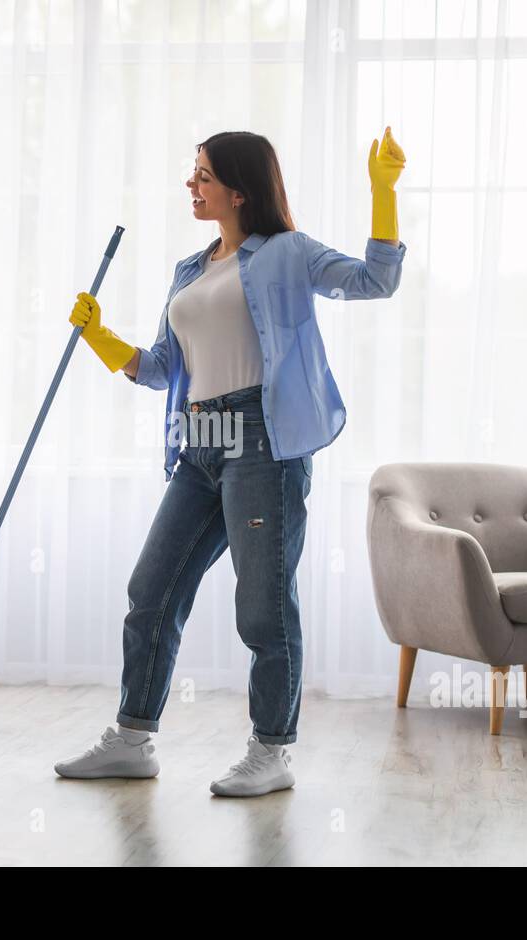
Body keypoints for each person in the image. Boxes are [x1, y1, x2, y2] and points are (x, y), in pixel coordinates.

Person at [56, 128, 407, 796]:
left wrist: (383, 192)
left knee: (263, 606)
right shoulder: (189, 271)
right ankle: (133, 740)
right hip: (198, 445)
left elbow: (375, 282)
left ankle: (271, 751)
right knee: (150, 591)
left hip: (262, 444)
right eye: (192, 173)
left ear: (241, 189)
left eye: (204, 175)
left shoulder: (286, 254)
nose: (192, 184)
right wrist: (99, 334)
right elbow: (160, 370)